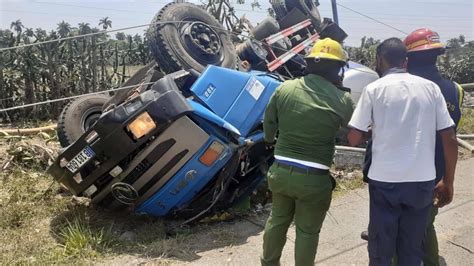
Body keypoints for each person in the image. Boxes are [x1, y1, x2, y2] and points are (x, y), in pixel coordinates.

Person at [347, 38, 458, 266]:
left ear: (380, 59)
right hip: (422, 182)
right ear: (405, 61)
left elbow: (354, 137)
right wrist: (448, 181)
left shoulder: (374, 89)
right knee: (411, 248)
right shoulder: (431, 89)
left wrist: (371, 132)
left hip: (385, 182)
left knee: (381, 248)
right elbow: (450, 137)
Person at [261, 38, 354, 266]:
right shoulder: (343, 99)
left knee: (277, 221)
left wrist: (270, 139)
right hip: (314, 180)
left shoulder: (284, 88)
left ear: (310, 63)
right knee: (307, 232)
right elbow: (352, 135)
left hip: (280, 173)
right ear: (337, 69)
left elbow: (268, 124)